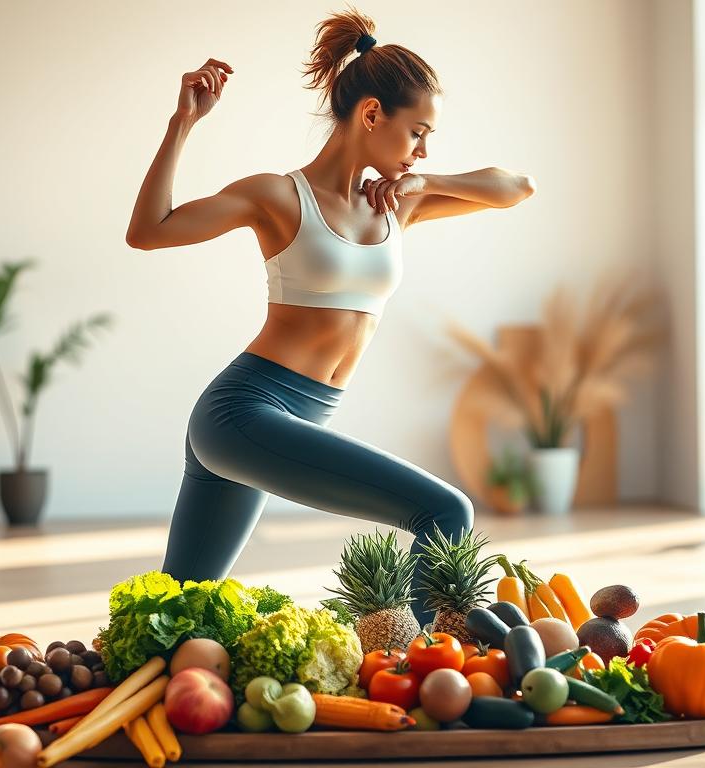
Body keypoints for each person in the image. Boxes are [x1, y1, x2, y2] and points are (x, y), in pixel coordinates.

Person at [125, 4, 536, 628]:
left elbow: (516, 188)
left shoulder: (398, 205)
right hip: (244, 413)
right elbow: (148, 232)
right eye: (418, 131)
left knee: (178, 613)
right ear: (372, 114)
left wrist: (423, 182)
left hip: (286, 418)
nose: (422, 149)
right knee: (445, 511)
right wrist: (182, 125)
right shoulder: (277, 196)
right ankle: (421, 676)